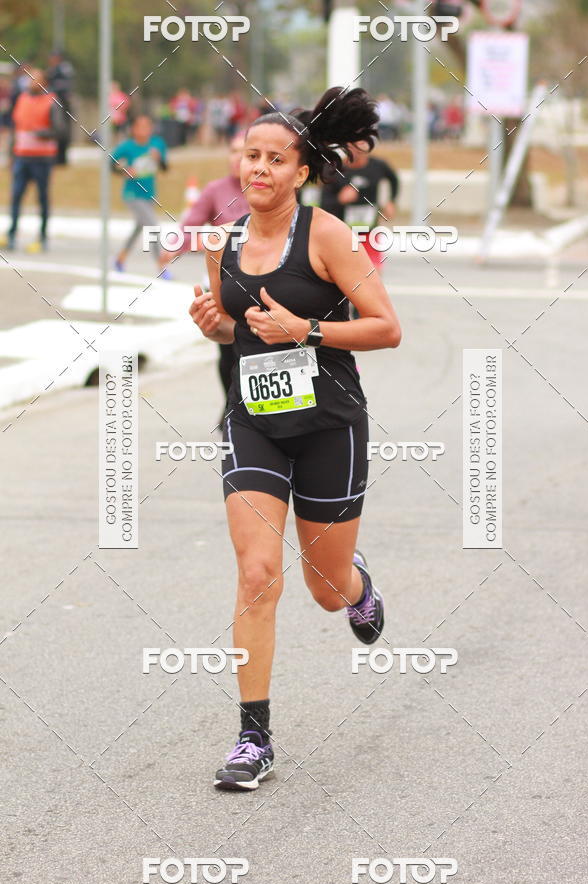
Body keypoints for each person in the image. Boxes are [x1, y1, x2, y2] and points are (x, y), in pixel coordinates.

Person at [188, 86, 401, 791]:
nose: (260, 169)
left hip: (329, 425)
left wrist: (307, 330)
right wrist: (211, 323)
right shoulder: (221, 243)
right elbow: (231, 329)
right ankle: (254, 739)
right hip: (253, 423)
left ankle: (357, 583)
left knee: (322, 585)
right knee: (256, 574)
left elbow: (385, 327)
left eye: (276, 159)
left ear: (302, 172)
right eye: (251, 156)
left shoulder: (328, 237)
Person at [161, 132, 249, 428]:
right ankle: (232, 404)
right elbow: (190, 225)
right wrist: (173, 247)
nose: (239, 158)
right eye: (234, 151)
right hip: (222, 283)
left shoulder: (264, 189)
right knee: (227, 351)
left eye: (246, 152)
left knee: (253, 349)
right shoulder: (215, 190)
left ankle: (251, 407)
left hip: (260, 284)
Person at [320, 140, 399, 315]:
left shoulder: (378, 166)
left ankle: (363, 310)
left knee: (373, 274)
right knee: (344, 277)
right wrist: (340, 200)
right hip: (342, 235)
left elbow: (393, 179)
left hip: (369, 232)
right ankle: (346, 308)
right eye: (355, 145)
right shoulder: (334, 169)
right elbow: (323, 204)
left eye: (364, 145)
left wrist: (391, 201)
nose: (360, 150)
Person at [1, 68, 65, 252]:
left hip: (42, 158)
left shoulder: (51, 101)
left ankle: (42, 237)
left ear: (44, 82)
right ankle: (11, 234)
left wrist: (42, 134)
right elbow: (16, 127)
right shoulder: (22, 99)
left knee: (42, 197)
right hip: (22, 156)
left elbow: (60, 130)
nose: (31, 81)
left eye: (36, 78)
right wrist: (10, 154)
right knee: (16, 196)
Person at [112, 115, 170, 276]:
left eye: (147, 126)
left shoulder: (157, 144)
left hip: (149, 194)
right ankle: (162, 267)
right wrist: (124, 171)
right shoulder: (127, 147)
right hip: (132, 194)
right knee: (153, 227)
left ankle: (120, 259)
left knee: (139, 228)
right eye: (140, 126)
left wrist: (158, 159)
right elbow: (111, 163)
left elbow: (165, 167)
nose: (144, 130)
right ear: (134, 129)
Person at [46, 51, 74, 165]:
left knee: (63, 131)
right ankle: (56, 156)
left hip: (63, 103)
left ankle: (62, 158)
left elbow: (67, 84)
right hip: (53, 103)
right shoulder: (51, 71)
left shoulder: (64, 68)